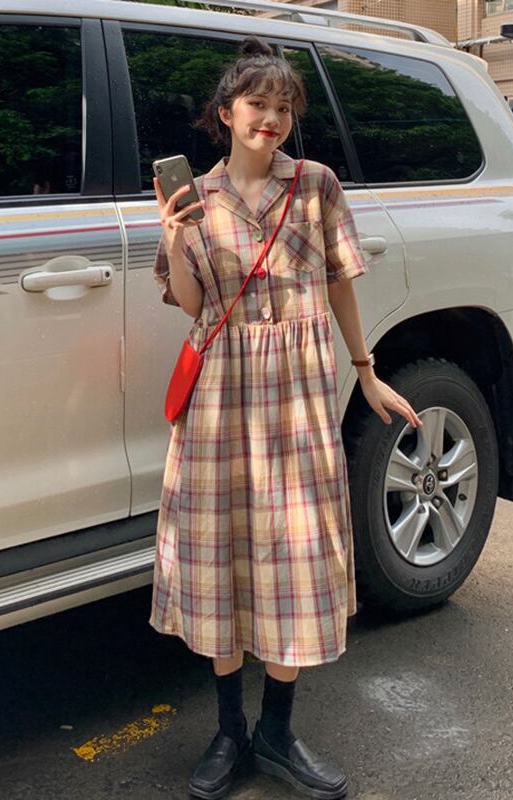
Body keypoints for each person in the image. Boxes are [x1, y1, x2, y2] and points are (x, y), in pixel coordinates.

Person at [148, 37, 422, 800]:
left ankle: (277, 730)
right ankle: (229, 730)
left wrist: (366, 370)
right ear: (225, 113)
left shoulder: (315, 184)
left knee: (294, 554)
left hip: (298, 393)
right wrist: (173, 236)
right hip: (220, 399)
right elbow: (195, 308)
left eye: (282, 107)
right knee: (221, 552)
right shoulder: (197, 196)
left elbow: (338, 282)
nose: (269, 118)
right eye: (256, 104)